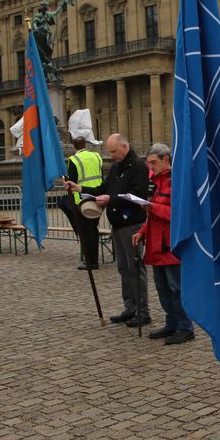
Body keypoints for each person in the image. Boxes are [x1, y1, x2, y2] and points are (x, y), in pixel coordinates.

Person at [66, 133, 149, 327]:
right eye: (110, 152)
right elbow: (104, 188)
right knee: (123, 268)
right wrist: (80, 188)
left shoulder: (138, 167)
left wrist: (112, 199)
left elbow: (138, 195)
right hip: (118, 224)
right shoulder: (116, 167)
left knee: (135, 268)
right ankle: (130, 308)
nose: (111, 155)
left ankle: (143, 312)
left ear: (124, 146)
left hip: (132, 223)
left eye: (114, 151)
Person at [133, 143, 193, 345]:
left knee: (176, 288)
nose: (150, 167)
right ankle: (172, 322)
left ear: (166, 160)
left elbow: (179, 215)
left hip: (170, 246)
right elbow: (154, 215)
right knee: (163, 288)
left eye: (153, 163)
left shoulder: (176, 182)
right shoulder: (158, 183)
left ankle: (185, 326)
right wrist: (142, 232)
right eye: (149, 163)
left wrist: (152, 207)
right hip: (157, 245)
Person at [58, 136, 103, 271]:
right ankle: (93, 259)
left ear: (74, 147)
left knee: (85, 231)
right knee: (93, 229)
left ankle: (91, 261)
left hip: (81, 199)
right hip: (97, 196)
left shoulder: (74, 159)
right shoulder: (97, 156)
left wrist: (64, 182)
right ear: (86, 145)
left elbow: (72, 181)